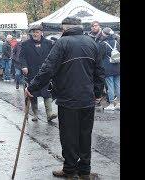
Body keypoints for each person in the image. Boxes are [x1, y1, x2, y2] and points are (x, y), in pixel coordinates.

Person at [25, 17, 105, 179]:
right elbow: (100, 72)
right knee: (84, 135)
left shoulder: (62, 43)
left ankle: (70, 170)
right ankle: (84, 171)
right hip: (87, 99)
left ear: (65, 29)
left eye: (62, 29)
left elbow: (48, 69)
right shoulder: (92, 43)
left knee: (69, 136)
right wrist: (96, 93)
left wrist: (31, 87)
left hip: (69, 99)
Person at [19, 24, 57, 122]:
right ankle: (35, 114)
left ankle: (49, 114)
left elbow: (53, 56)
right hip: (31, 72)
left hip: (45, 72)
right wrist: (24, 66)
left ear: (41, 32)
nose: (35, 34)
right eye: (33, 32)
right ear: (31, 33)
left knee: (47, 93)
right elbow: (22, 57)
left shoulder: (49, 43)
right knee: (32, 93)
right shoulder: (25, 44)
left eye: (37, 32)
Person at [99, 27, 120, 111]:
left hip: (108, 67)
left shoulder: (103, 43)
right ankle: (118, 103)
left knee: (110, 86)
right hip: (117, 67)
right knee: (118, 85)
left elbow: (100, 56)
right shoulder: (116, 42)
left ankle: (111, 103)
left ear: (104, 34)